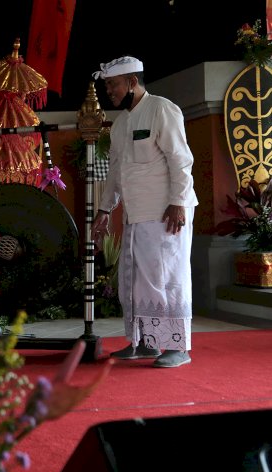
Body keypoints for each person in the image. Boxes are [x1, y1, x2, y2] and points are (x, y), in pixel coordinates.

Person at [91, 56, 198, 368]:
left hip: (167, 213)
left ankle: (177, 347)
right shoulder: (122, 122)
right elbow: (115, 171)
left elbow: (181, 160)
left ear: (132, 82)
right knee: (137, 282)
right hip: (136, 215)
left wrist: (178, 201)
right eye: (107, 85)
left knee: (169, 278)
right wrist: (104, 208)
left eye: (113, 84)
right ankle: (145, 343)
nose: (108, 90)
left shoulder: (162, 109)